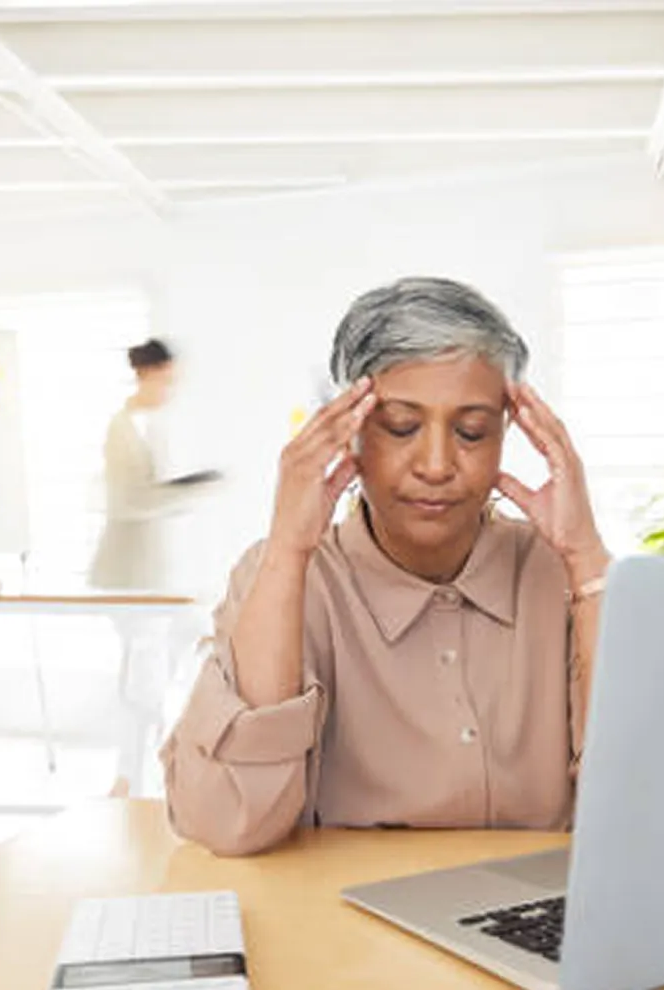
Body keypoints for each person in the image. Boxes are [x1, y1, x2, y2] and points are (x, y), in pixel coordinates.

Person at [160, 277, 612, 856]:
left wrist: (586, 558)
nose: (437, 464)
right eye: (401, 426)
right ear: (348, 431)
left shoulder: (560, 571)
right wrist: (287, 554)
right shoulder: (286, 576)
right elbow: (229, 823)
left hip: (536, 925)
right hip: (346, 920)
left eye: (472, 431)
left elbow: (641, 799)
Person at [90, 338, 211, 799]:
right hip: (128, 576)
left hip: (156, 575)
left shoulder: (151, 428)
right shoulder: (120, 429)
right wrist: (186, 492)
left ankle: (149, 767)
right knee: (143, 679)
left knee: (196, 643)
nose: (171, 389)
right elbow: (129, 502)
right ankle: (126, 777)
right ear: (148, 373)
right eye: (167, 379)